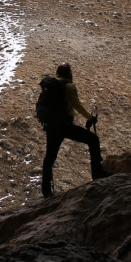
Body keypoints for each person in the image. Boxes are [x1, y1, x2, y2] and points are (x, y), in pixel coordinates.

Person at [41, 63, 110, 198]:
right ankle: (97, 173)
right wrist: (91, 118)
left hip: (51, 127)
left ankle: (46, 190)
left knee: (49, 158)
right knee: (93, 139)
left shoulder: (50, 87)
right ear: (69, 74)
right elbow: (77, 105)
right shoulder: (69, 87)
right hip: (65, 125)